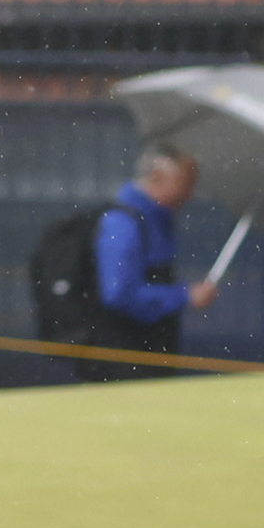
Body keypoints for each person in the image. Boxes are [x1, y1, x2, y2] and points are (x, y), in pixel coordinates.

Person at [78, 142, 222, 382]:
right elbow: (118, 294)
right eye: (185, 184)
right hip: (124, 356)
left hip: (150, 350)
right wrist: (184, 296)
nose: (190, 194)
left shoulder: (156, 220)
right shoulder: (122, 222)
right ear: (157, 177)